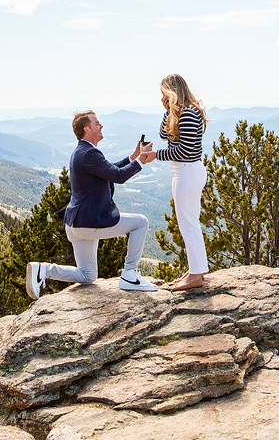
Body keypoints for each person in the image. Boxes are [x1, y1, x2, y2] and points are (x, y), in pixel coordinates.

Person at [25, 110, 159, 300]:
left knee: (88, 276)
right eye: (97, 124)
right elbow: (118, 176)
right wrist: (142, 160)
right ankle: (130, 274)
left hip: (76, 224)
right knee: (141, 222)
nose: (101, 126)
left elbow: (109, 169)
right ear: (87, 129)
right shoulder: (88, 153)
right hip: (89, 223)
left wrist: (134, 156)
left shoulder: (84, 151)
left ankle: (44, 269)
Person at [144, 74, 209, 290]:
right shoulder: (182, 112)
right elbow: (164, 134)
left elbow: (184, 151)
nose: (161, 97)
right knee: (188, 224)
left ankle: (197, 275)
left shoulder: (189, 113)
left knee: (189, 225)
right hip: (184, 172)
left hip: (187, 171)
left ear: (173, 91)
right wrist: (167, 111)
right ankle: (195, 270)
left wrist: (156, 156)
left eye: (164, 93)